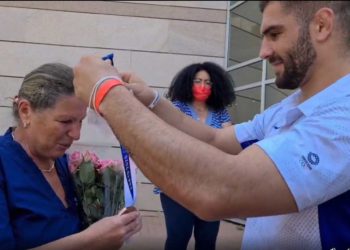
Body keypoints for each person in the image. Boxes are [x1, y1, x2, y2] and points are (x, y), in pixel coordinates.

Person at [72, 1, 350, 249]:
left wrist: (107, 94)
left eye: (274, 34)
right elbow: (216, 140)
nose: (263, 52)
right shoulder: (288, 108)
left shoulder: (342, 119)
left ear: (322, 25)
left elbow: (219, 189)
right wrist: (152, 99)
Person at [0, 63, 142, 250]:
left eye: (80, 121)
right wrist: (91, 240)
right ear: (25, 111)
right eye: (65, 121)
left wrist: (117, 223)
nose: (76, 134)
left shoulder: (64, 162)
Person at [159, 62, 235, 250]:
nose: (203, 86)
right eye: (197, 81)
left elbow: (229, 142)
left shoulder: (220, 112)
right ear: (188, 83)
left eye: (208, 82)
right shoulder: (176, 107)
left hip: (211, 187)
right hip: (177, 187)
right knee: (178, 238)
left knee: (207, 241)